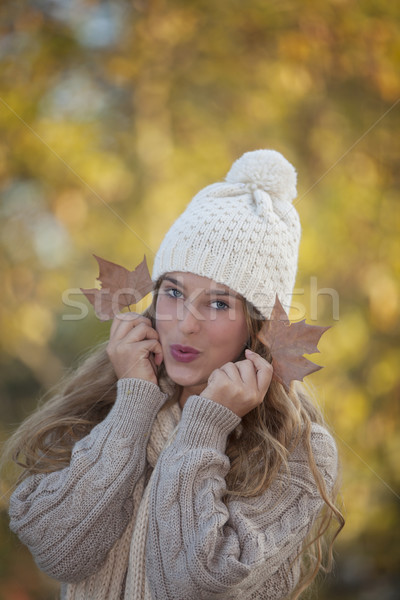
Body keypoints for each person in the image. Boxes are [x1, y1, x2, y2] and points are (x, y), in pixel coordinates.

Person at [5, 149, 344, 600]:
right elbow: (58, 550)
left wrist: (205, 428)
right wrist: (131, 404)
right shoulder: (111, 396)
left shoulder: (298, 448)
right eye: (173, 292)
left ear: (258, 325)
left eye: (219, 303)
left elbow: (192, 585)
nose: (185, 323)